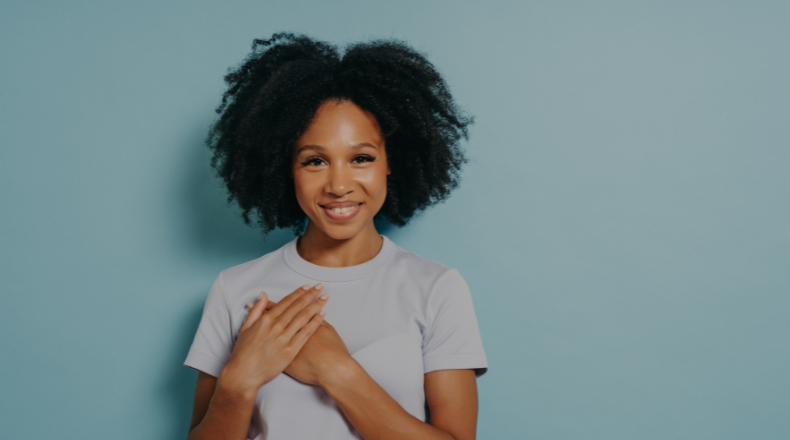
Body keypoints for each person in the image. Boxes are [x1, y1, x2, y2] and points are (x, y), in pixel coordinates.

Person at [184, 33, 488, 440]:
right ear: (284, 168)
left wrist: (337, 371)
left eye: (361, 158)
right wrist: (239, 379)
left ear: (390, 163)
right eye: (315, 161)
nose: (339, 185)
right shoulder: (235, 289)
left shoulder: (436, 288)